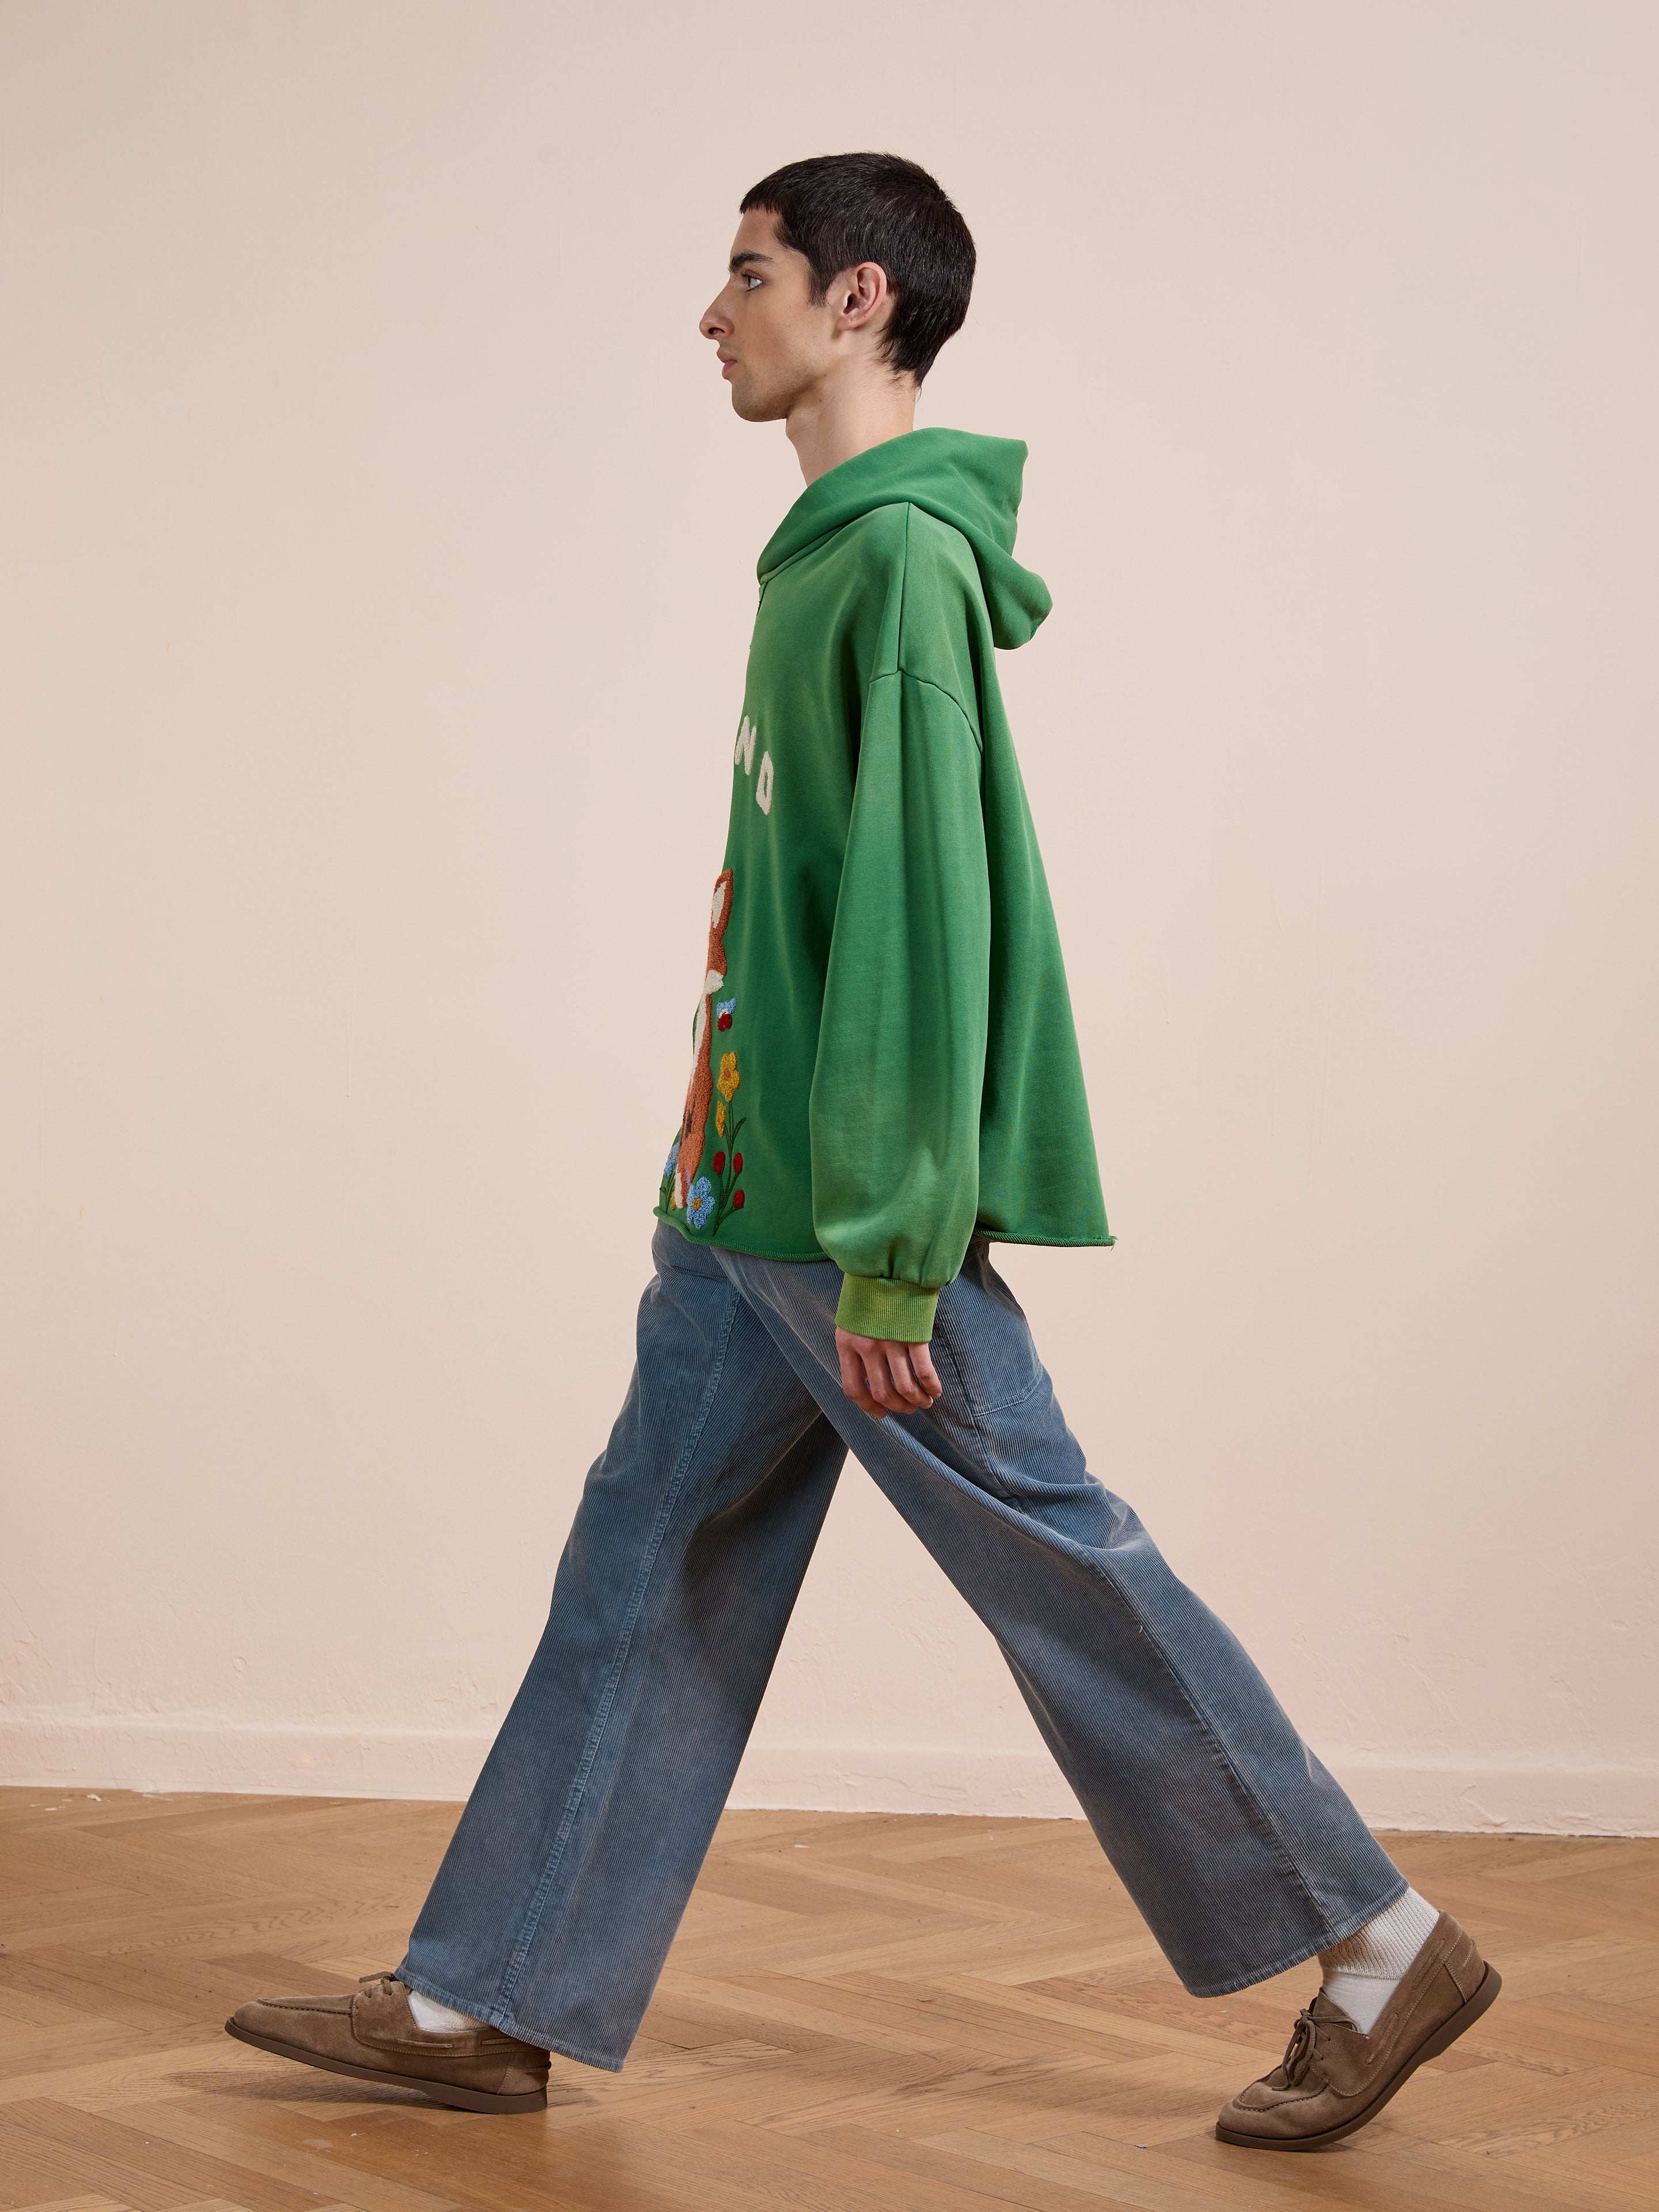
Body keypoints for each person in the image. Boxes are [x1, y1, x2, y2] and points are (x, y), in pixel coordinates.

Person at [226, 152, 1498, 2150]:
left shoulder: (898, 564)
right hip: (746, 1196)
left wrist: (901, 1252)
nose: (713, 311)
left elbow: (921, 921)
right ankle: (490, 1994)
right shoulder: (827, 554)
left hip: (844, 1218)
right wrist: (713, 1162)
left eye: (749, 272)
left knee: (1056, 1560)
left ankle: (1375, 1935)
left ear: (862, 303)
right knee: (643, 1566)